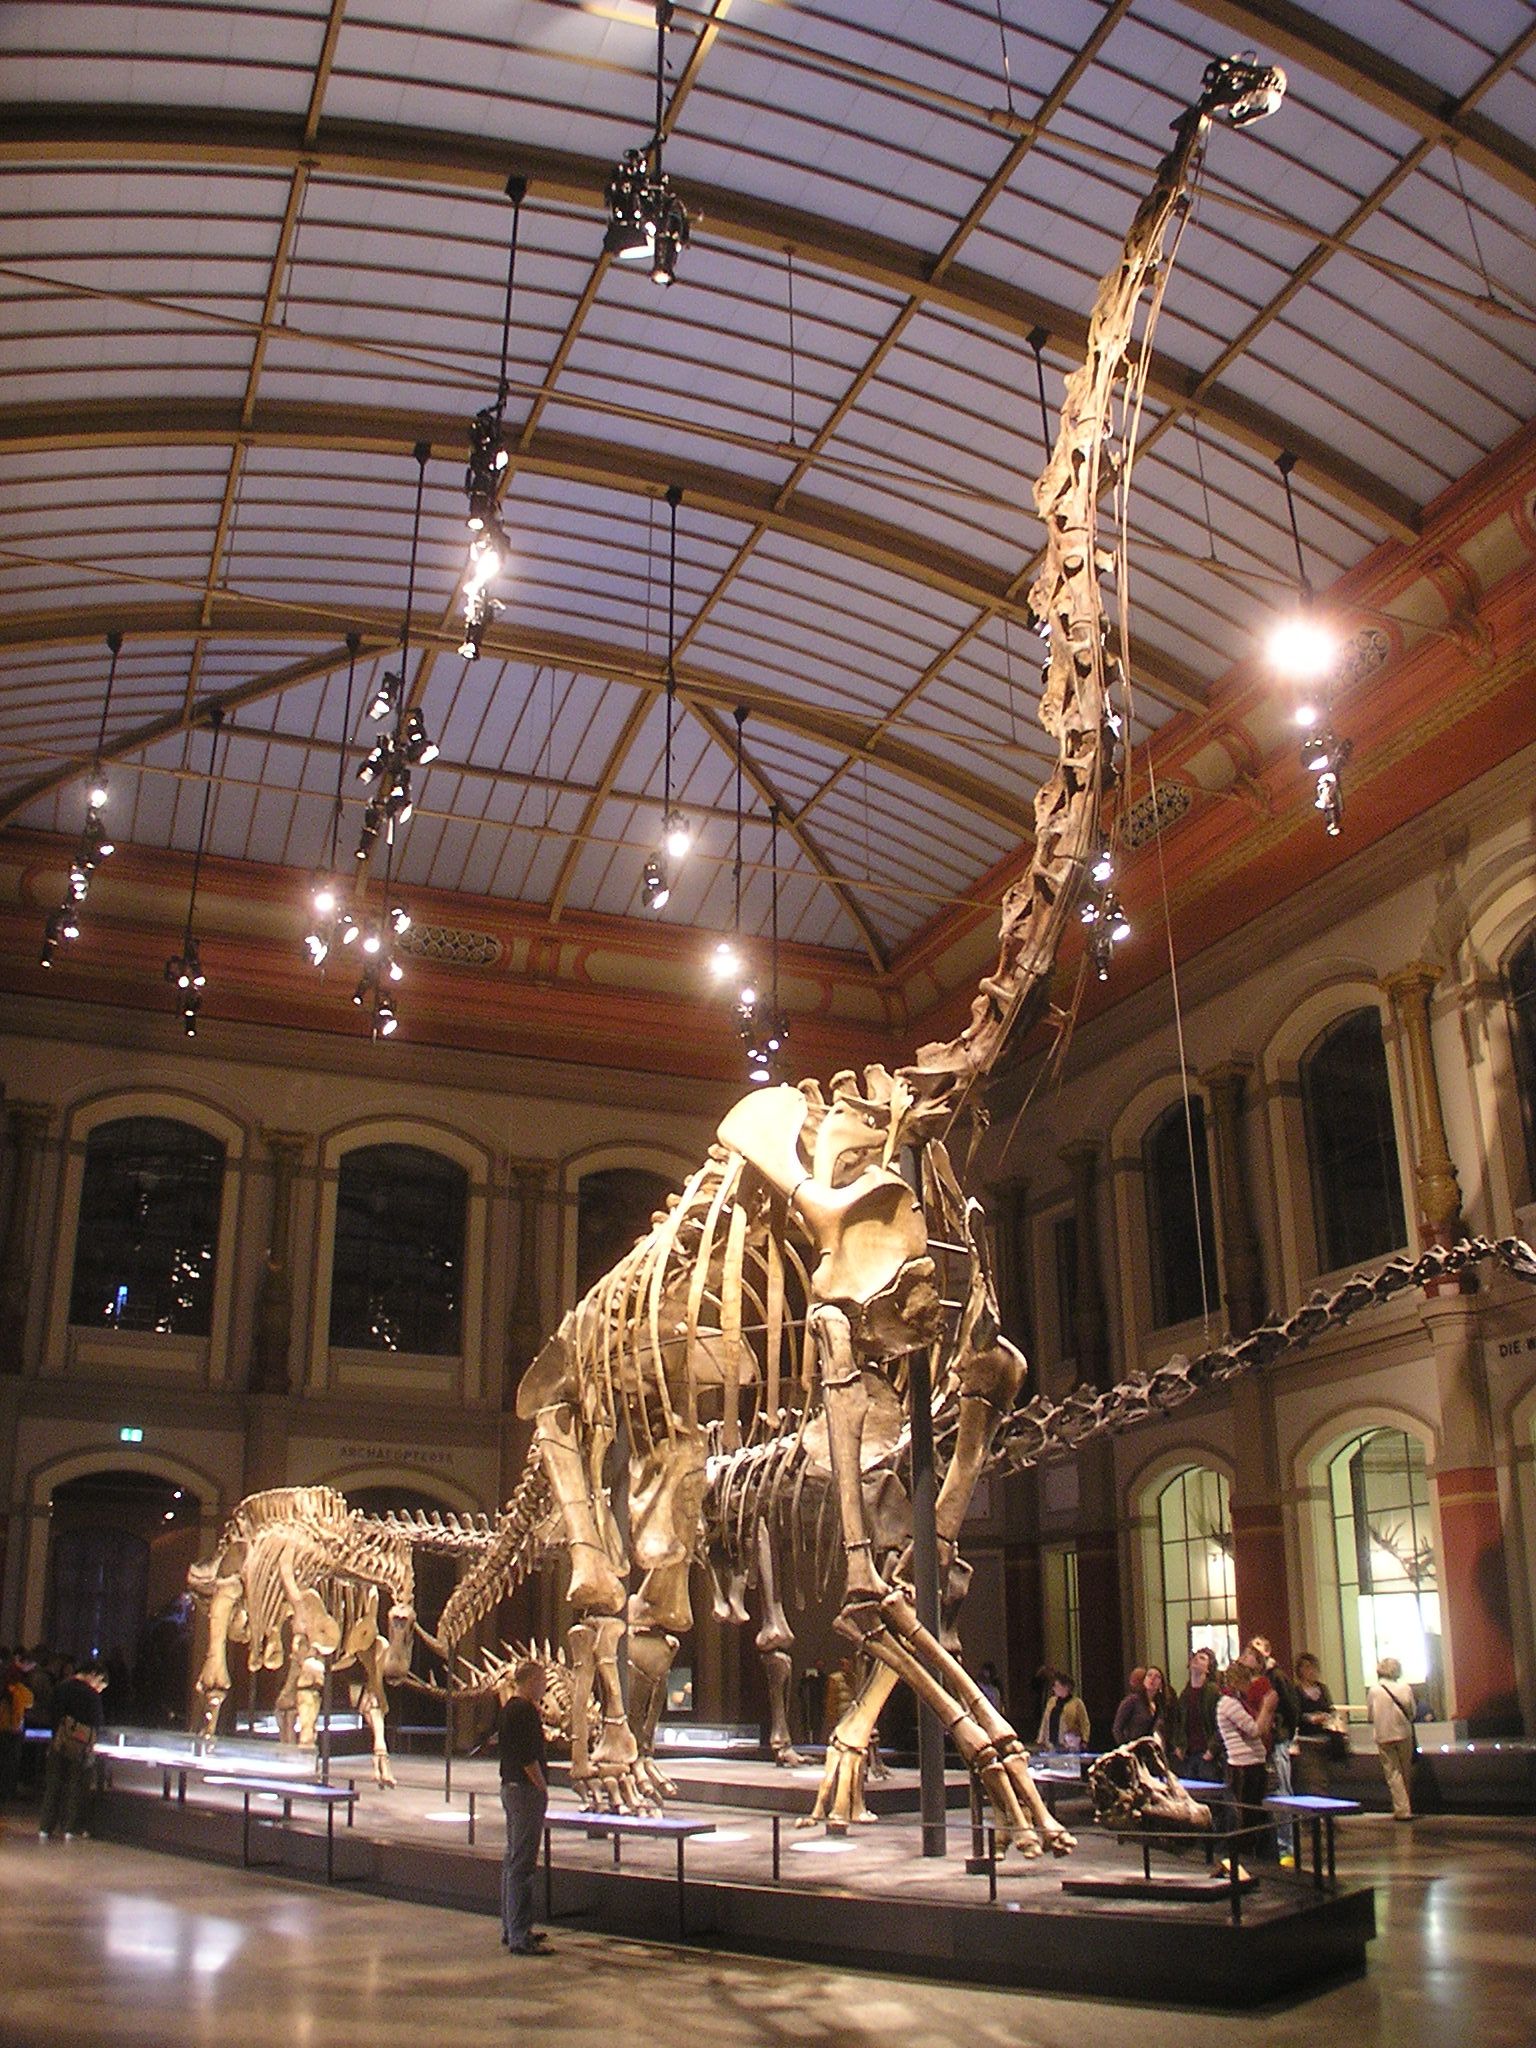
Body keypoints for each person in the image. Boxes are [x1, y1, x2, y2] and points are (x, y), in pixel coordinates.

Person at [498, 1659, 551, 1954]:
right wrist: (541, 1787)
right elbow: (527, 1755)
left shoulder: (508, 1709)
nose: (545, 1686)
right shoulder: (524, 1712)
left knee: (512, 1860)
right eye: (542, 1680)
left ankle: (512, 1927)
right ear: (530, 1680)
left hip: (510, 1788)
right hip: (525, 1792)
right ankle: (520, 1935)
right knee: (522, 1865)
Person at [38, 1660, 108, 1840]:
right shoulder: (91, 1695)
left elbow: (51, 1714)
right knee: (75, 1787)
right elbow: (97, 1722)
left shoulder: (61, 1688)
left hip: (59, 1743)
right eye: (99, 1681)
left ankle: (45, 1827)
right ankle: (69, 1828)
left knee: (53, 1786)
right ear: (93, 1674)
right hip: (80, 1748)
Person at [1216, 1658, 1276, 1863]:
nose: (1250, 1685)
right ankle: (1243, 1863)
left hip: (1254, 1765)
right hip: (1244, 1768)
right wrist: (1267, 1708)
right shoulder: (1228, 1704)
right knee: (1246, 1820)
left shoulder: (1240, 1703)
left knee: (1256, 1818)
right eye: (1246, 1680)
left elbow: (1263, 1729)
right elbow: (1255, 1730)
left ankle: (1258, 1860)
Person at [1249, 1635, 1300, 1864]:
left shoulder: (1277, 1676)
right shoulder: (1254, 1678)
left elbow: (1290, 1707)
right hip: (1262, 1743)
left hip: (1277, 1741)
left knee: (1281, 1792)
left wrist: (1285, 1734)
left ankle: (1286, 1848)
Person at [1366, 1655, 1416, 1821]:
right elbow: (1412, 1712)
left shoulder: (1374, 1690)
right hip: (1404, 1733)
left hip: (1383, 1734)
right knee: (1405, 1770)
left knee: (1393, 1773)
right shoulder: (1405, 1688)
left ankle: (1402, 1809)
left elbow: (1371, 1715)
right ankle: (1406, 1805)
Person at [1292, 1652, 1341, 1798]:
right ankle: (1316, 1816)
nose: (1311, 1671)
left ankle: (1326, 1814)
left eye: (1313, 1667)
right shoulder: (1296, 1691)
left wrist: (1329, 1717)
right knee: (1313, 1779)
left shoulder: (1323, 1688)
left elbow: (1330, 1708)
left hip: (1326, 1739)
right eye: (1306, 1667)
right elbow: (1296, 1714)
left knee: (1325, 1778)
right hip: (1307, 1740)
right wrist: (1310, 1718)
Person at [1171, 1649, 1219, 1774]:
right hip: (1188, 1755)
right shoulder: (1185, 1694)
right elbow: (1178, 1723)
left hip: (1207, 1754)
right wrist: (1178, 1745)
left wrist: (1212, 1749)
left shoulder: (1213, 1692)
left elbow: (1220, 1724)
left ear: (1208, 1669)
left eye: (1202, 1658)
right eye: (1196, 1657)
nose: (1196, 1659)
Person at [0, 1648, 35, 1803]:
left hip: (7, 1724)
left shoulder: (8, 1675)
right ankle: (7, 1792)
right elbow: (20, 1701)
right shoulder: (14, 1677)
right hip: (11, 1725)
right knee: (10, 1761)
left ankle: (6, 1792)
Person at [1111, 1664, 1168, 1746]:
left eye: (1157, 1677)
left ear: (1161, 1684)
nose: (1152, 1679)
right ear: (1144, 1680)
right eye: (1149, 1675)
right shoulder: (1132, 1701)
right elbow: (1117, 1728)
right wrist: (1126, 1746)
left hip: (1150, 1750)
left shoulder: (1160, 1705)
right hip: (1133, 1748)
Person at [1035, 1671, 1090, 1752]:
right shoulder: (1051, 1702)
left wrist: (1085, 1740)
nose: (1053, 1689)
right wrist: (1040, 1739)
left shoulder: (1077, 1703)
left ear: (1066, 1687)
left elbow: (1084, 1723)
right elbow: (1045, 1722)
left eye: (1056, 1686)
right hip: (1051, 1745)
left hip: (1069, 1745)